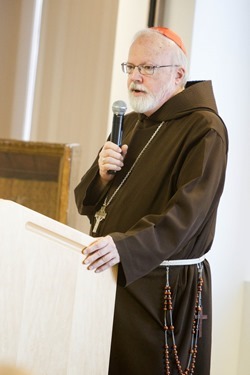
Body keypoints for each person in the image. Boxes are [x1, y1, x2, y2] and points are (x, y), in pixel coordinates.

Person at [74, 26, 228, 375]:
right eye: (130, 67)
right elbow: (87, 202)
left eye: (147, 68)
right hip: (115, 277)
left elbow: (186, 216)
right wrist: (101, 177)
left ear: (178, 75)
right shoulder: (129, 123)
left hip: (164, 291)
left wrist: (125, 248)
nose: (135, 78)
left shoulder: (205, 128)